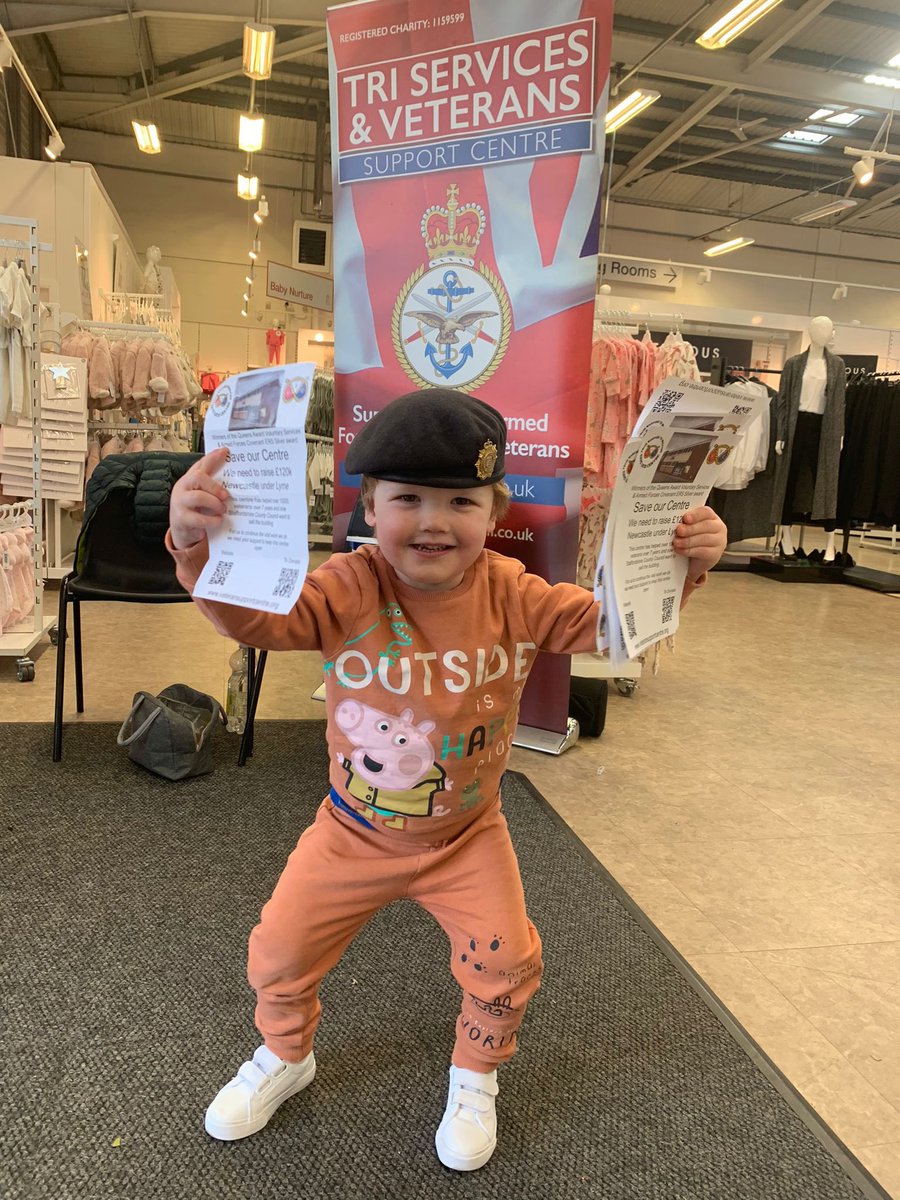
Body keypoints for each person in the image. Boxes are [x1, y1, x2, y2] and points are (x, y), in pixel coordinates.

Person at [167, 387, 727, 1172]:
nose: (434, 521)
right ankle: (286, 1054)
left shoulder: (511, 589)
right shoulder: (348, 587)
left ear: (493, 509)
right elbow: (255, 619)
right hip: (352, 831)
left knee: (505, 962)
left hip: (467, 835)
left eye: (461, 500)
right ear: (370, 506)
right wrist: (196, 545)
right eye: (408, 499)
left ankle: (474, 1074)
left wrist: (679, 562)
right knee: (278, 953)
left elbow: (608, 626)